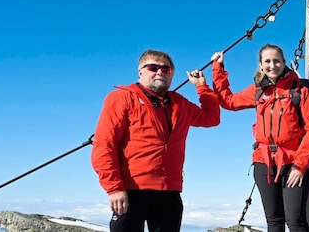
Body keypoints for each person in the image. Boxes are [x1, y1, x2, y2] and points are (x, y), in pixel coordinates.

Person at [91, 49, 221, 232]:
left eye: (166, 69)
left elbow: (211, 118)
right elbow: (104, 144)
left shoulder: (180, 104)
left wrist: (202, 87)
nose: (160, 72)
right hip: (131, 190)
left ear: (172, 74)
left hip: (169, 192)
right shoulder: (122, 98)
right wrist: (114, 188)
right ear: (140, 72)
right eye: (153, 67)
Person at [210, 44, 309, 232]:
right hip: (264, 162)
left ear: (284, 63)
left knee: (295, 220)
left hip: (293, 163)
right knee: (274, 220)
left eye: (276, 60)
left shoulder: (301, 92)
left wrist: (300, 166)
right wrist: (218, 69)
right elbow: (229, 101)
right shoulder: (258, 91)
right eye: (267, 61)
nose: (272, 65)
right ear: (261, 65)